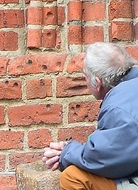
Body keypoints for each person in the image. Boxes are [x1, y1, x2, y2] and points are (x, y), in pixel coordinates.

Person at [42, 42, 138, 189]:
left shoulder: (118, 108)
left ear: (97, 83)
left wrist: (66, 152)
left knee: (72, 177)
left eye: (85, 76)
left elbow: (106, 160)